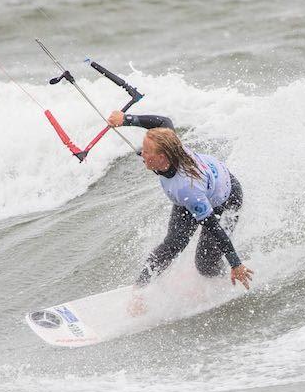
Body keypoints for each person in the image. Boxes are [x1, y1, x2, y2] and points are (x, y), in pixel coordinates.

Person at [107, 110, 254, 290]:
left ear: (161, 158)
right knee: (172, 244)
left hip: (227, 199)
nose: (141, 153)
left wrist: (235, 263)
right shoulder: (170, 146)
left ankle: (228, 277)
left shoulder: (186, 188)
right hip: (205, 189)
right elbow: (163, 121)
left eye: (146, 151)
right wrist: (126, 120)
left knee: (205, 265)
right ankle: (139, 289)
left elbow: (214, 229)